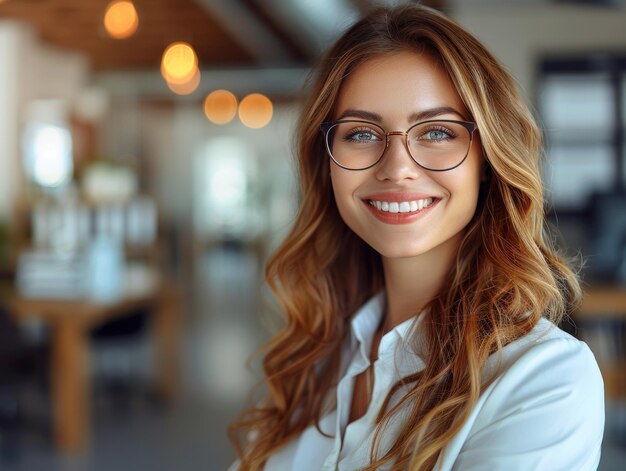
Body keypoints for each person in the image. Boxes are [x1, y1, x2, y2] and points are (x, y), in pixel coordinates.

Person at [229, 4, 604, 470]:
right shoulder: (317, 352)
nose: (398, 168)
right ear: (326, 162)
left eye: (437, 131)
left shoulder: (543, 379)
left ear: (486, 159)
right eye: (362, 133)